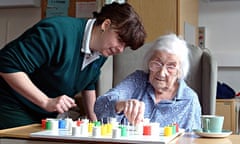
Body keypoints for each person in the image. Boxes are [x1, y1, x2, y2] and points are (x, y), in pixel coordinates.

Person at [0, 2, 146, 129]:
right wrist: (46, 101)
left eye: (125, 46)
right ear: (106, 24)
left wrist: (95, 123)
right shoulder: (57, 31)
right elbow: (7, 64)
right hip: (10, 104)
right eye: (120, 40)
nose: (120, 50)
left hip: (42, 114)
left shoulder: (102, 51)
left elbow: (88, 83)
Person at [94, 34, 202, 132]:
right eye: (157, 63)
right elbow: (99, 106)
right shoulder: (137, 81)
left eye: (171, 66)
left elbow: (193, 140)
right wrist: (120, 104)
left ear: (180, 72)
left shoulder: (189, 100)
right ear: (148, 62)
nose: (162, 73)